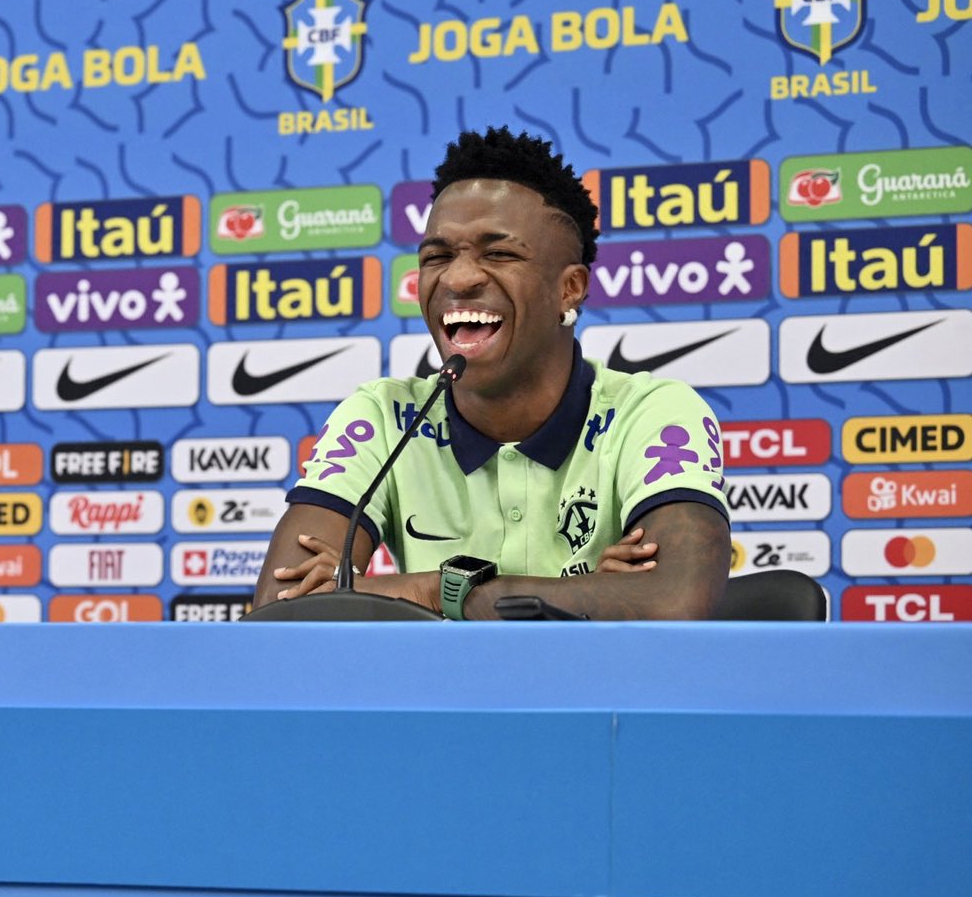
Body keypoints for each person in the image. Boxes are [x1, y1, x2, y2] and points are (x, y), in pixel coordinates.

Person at [256, 127, 730, 620]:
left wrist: (429, 592)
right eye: (437, 256)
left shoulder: (652, 413)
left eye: (499, 253)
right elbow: (281, 610)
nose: (458, 278)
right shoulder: (385, 416)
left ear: (569, 289)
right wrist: (586, 597)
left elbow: (677, 602)